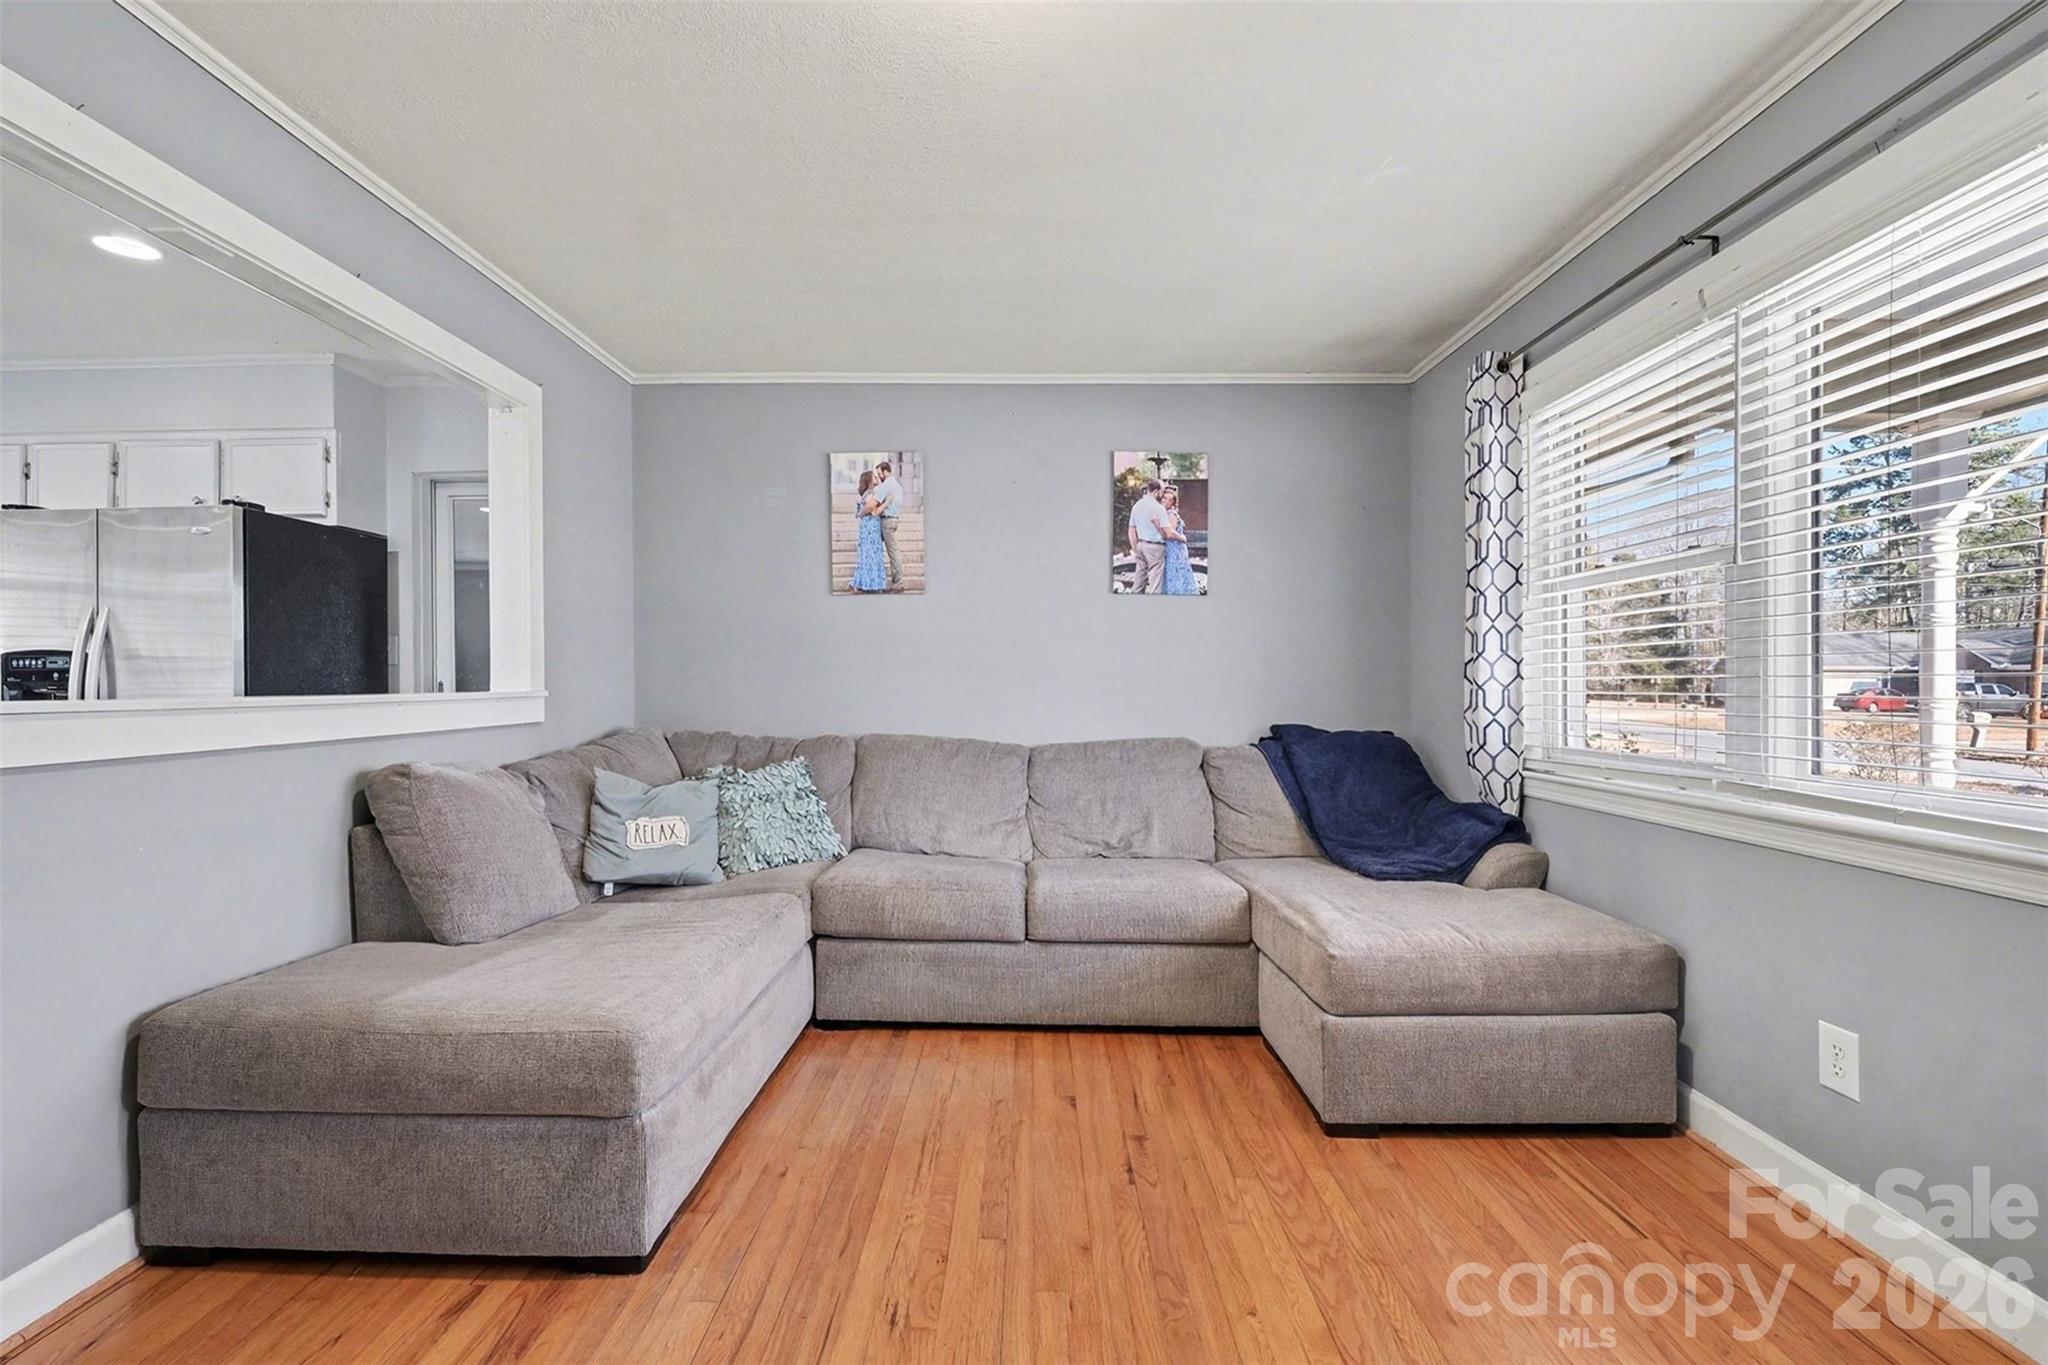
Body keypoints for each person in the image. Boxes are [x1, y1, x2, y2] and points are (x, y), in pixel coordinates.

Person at [850, 469, 888, 592]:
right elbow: (872, 509)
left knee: (869, 554)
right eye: (874, 477)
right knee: (870, 554)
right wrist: (887, 502)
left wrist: (859, 514)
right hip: (870, 527)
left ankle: (864, 583)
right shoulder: (870, 494)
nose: (877, 478)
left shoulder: (870, 493)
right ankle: (869, 584)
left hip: (870, 527)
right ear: (869, 481)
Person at [1126, 479, 1167, 593]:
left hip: (1140, 545)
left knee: (1139, 582)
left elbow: (1131, 529)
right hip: (1156, 548)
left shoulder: (1137, 506)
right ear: (1156, 491)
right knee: (1155, 584)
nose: (1163, 495)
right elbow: (1165, 533)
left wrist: (1135, 548)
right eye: (1162, 491)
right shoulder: (1159, 508)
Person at [870, 459, 904, 589]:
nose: (879, 477)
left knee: (893, 552)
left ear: (885, 471)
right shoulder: (898, 486)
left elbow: (875, 502)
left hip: (887, 520)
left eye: (879, 474)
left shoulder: (885, 486)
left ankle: (898, 582)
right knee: (892, 550)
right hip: (895, 519)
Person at [1159, 485, 1199, 596]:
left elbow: (1170, 534)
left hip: (1175, 549)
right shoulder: (1164, 513)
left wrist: (1182, 538)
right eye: (1164, 498)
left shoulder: (1170, 514)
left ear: (1172, 503)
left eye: (1168, 500)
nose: (1165, 501)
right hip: (1173, 548)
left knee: (1176, 574)